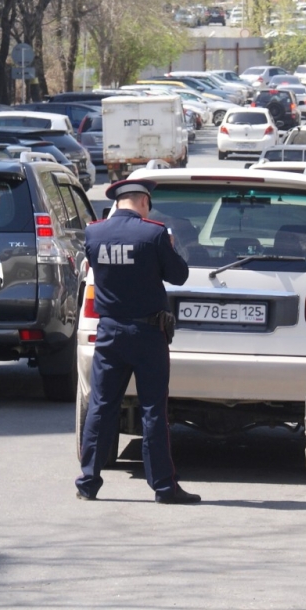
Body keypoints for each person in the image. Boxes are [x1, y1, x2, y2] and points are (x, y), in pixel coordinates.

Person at [76, 178, 198, 504]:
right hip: (147, 335)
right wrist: (170, 247)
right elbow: (179, 275)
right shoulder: (154, 233)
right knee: (153, 411)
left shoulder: (94, 233)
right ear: (143, 202)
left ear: (118, 202)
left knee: (101, 407)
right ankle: (163, 487)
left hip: (109, 332)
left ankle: (88, 482)